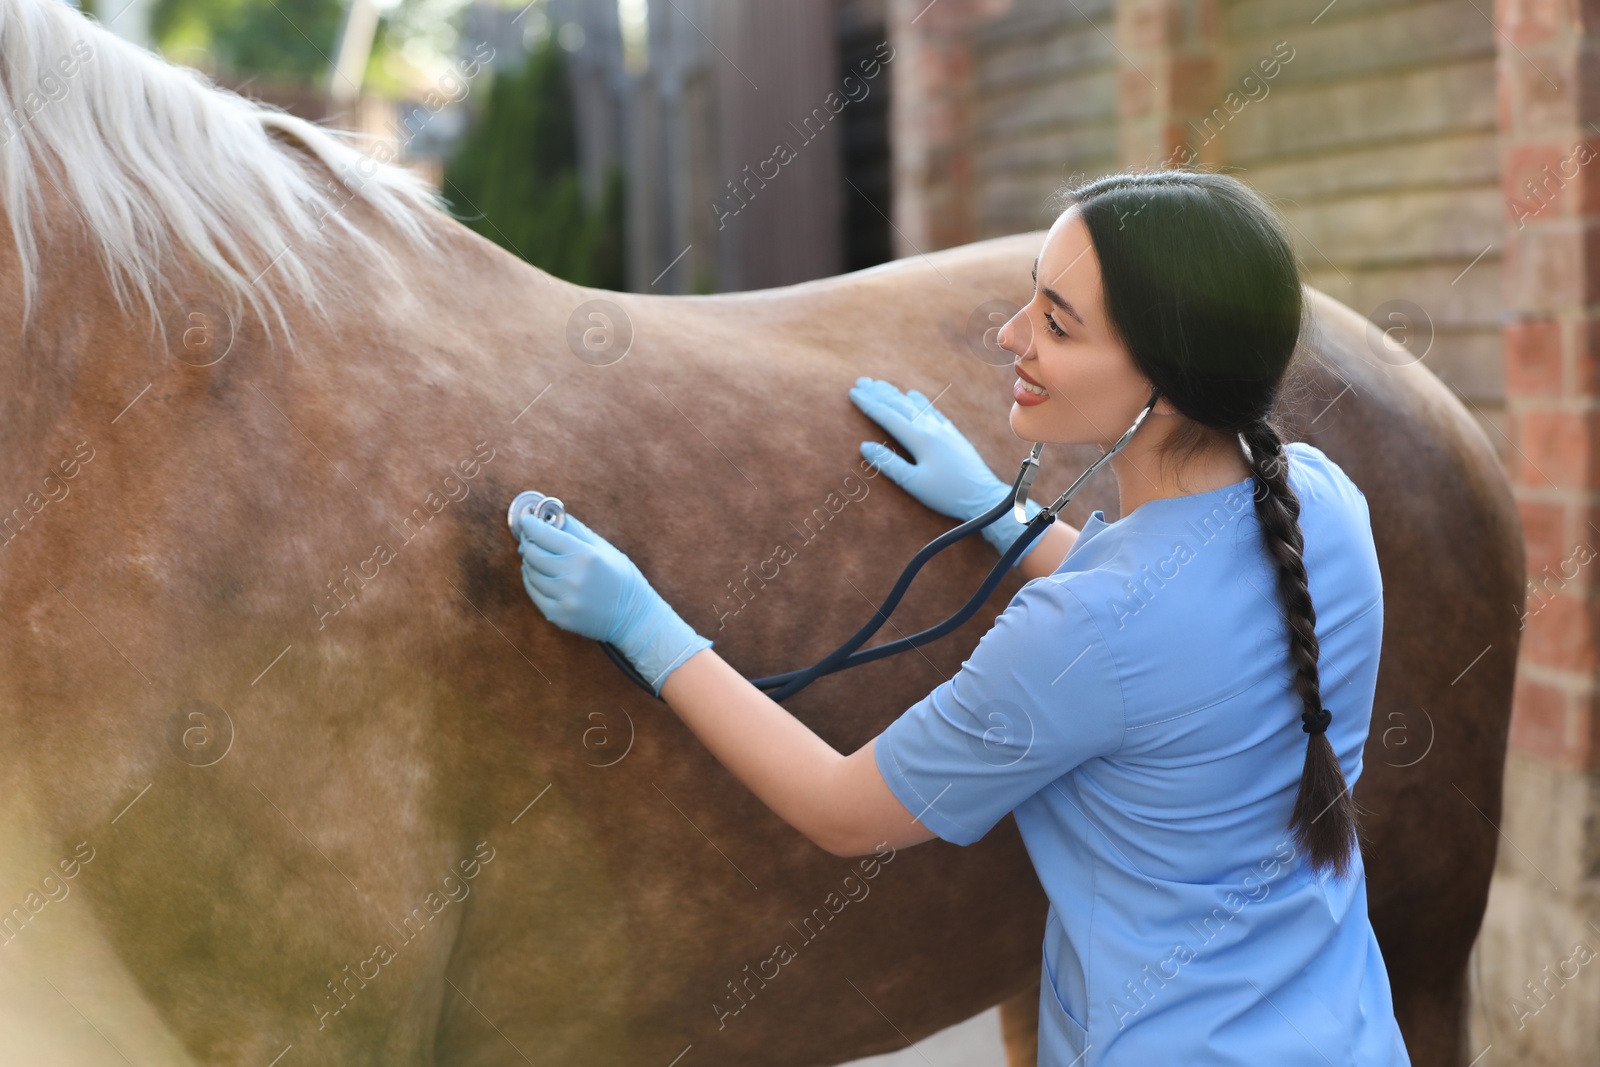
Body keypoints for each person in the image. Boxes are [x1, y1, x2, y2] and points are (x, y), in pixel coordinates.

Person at [513, 168, 1410, 1065]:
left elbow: (843, 810)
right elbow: (1180, 629)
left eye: (1057, 324)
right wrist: (1001, 511)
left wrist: (641, 621)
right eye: (1032, 296)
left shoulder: (1079, 633)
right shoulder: (1325, 502)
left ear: (1168, 384)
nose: (1009, 334)